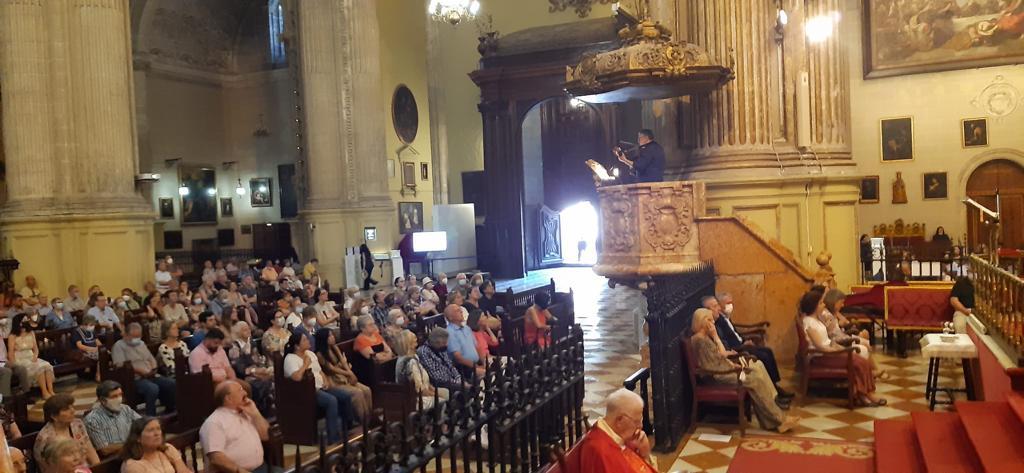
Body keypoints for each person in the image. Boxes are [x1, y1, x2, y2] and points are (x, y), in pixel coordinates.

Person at [690, 309, 798, 432]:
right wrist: (732, 366)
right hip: (718, 376)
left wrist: (731, 362)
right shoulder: (700, 340)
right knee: (755, 380)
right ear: (701, 321)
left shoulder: (705, 337)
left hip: (723, 370)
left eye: (712, 320)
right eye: (709, 320)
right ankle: (779, 420)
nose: (713, 323)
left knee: (756, 375)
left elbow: (719, 357)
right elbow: (713, 364)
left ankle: (773, 421)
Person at [800, 290, 886, 407]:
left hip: (828, 354)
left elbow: (828, 341)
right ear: (813, 306)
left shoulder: (816, 320)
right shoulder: (809, 323)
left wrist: (839, 347)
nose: (824, 305)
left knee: (862, 362)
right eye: (820, 303)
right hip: (821, 357)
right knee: (859, 363)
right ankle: (865, 396)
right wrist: (839, 351)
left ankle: (866, 394)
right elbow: (821, 346)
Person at [704, 295, 792, 399]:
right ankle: (772, 392)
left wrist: (744, 340)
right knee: (763, 357)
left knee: (768, 351)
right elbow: (725, 348)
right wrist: (742, 346)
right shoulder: (714, 326)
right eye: (715, 306)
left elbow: (734, 335)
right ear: (707, 311)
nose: (718, 308)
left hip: (740, 346)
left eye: (717, 305)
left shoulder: (721, 318)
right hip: (737, 352)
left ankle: (775, 386)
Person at [283, 333, 356, 444]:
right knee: (331, 401)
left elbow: (320, 371)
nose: (308, 341)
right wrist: (305, 364)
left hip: (321, 387)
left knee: (345, 396)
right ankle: (333, 437)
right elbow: (296, 378)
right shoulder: (290, 359)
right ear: (297, 346)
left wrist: (325, 381)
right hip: (307, 392)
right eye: (304, 340)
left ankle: (347, 429)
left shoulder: (310, 354)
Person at [200, 380, 272, 473]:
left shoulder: (246, 412)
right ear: (228, 398)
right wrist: (241, 471)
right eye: (240, 390)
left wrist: (256, 414)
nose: (245, 393)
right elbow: (216, 458)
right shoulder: (214, 422)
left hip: (261, 468)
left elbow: (266, 436)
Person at [579, 388, 658, 472]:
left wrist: (645, 454)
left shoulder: (619, 436)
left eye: (641, 420)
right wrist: (645, 457)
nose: (640, 426)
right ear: (620, 420)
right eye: (636, 421)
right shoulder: (602, 452)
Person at [113, 323, 176, 416]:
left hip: (150, 374)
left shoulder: (141, 344)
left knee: (171, 383)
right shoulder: (119, 346)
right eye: (134, 336)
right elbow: (120, 365)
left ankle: (170, 412)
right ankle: (150, 416)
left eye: (138, 336)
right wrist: (139, 371)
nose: (136, 339)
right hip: (135, 378)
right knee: (152, 389)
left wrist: (153, 368)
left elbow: (151, 358)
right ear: (126, 335)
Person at [315, 329, 372, 420]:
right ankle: (361, 421)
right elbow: (332, 369)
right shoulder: (319, 354)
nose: (333, 337)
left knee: (366, 390)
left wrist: (350, 373)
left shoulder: (334, 347)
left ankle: (369, 417)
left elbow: (343, 361)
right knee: (358, 393)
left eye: (332, 335)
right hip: (333, 380)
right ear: (324, 338)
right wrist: (348, 373)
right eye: (330, 336)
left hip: (344, 376)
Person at [34, 394, 100, 468]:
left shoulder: (77, 424)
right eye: (66, 409)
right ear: (54, 416)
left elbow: (89, 449)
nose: (73, 411)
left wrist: (98, 468)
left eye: (72, 407)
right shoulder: (45, 438)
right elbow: (46, 467)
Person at [83, 381, 141, 458]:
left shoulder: (125, 409)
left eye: (120, 395)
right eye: (114, 396)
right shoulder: (92, 420)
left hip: (134, 452)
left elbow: (143, 424)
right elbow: (104, 449)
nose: (119, 399)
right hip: (115, 459)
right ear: (103, 400)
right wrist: (132, 443)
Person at [227, 322, 274, 415]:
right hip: (242, 375)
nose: (248, 331)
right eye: (245, 330)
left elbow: (257, 358)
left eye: (248, 328)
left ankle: (270, 404)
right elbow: (238, 367)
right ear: (238, 332)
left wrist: (262, 366)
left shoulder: (251, 342)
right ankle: (260, 409)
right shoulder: (235, 347)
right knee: (260, 382)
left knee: (271, 375)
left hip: (255, 370)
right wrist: (254, 371)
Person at [119, 417, 193, 473]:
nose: (157, 433)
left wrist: (177, 462)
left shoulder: (167, 448)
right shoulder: (133, 465)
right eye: (150, 430)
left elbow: (184, 471)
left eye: (158, 429)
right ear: (138, 438)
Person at [8, 313, 55, 399]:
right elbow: (10, 353)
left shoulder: (31, 332)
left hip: (31, 356)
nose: (27, 321)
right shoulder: (12, 336)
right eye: (24, 320)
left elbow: (36, 349)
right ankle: (44, 392)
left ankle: (51, 391)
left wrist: (35, 356)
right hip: (20, 359)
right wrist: (14, 365)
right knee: (39, 368)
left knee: (47, 365)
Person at [417, 327, 464, 393]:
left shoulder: (440, 349)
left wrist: (458, 378)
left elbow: (450, 365)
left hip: (452, 381)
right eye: (444, 343)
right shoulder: (424, 352)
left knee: (472, 385)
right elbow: (437, 376)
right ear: (436, 343)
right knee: (467, 390)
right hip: (440, 383)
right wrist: (457, 383)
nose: (446, 344)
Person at [444, 304, 480, 378]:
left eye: (460, 309)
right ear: (450, 317)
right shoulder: (449, 332)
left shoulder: (467, 328)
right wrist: (476, 367)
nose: (461, 311)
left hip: (477, 364)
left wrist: (483, 363)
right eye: (457, 311)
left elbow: (476, 347)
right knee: (489, 374)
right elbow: (458, 358)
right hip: (464, 369)